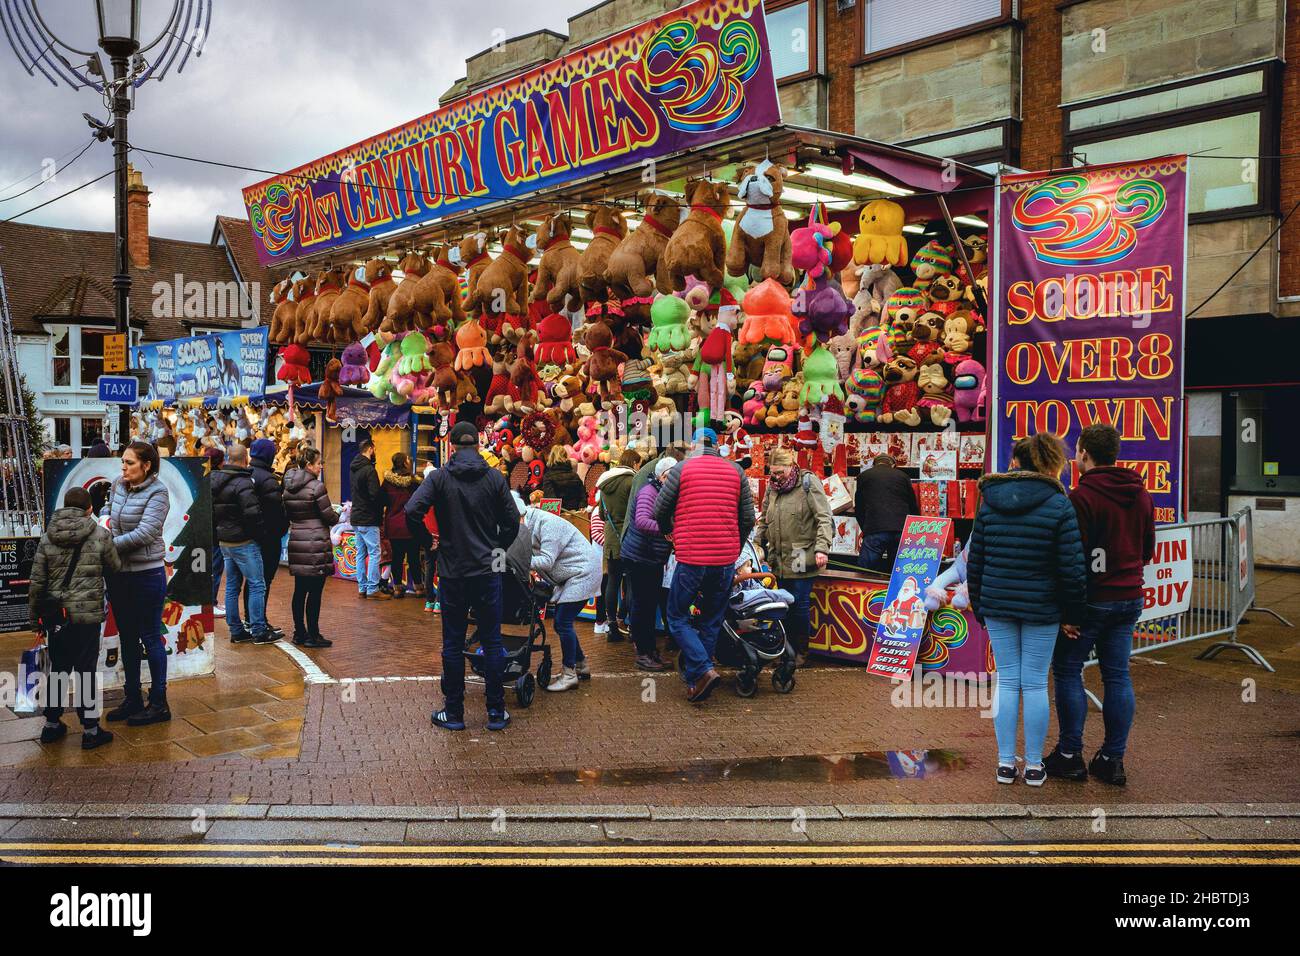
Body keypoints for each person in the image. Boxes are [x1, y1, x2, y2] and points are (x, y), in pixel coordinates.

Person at [967, 432, 1086, 787]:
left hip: (999, 603)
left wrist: (980, 605)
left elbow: (977, 559)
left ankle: (1005, 764)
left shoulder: (989, 500)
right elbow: (1071, 567)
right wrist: (1073, 614)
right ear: (1049, 463)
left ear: (1016, 462)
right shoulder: (1059, 504)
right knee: (1034, 685)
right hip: (1043, 607)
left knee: (1006, 681)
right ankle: (1034, 765)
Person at [1046, 424, 1155, 787]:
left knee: (1067, 670)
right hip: (1128, 597)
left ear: (1084, 454)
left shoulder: (1081, 497)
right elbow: (1147, 551)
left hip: (1091, 601)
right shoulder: (1140, 494)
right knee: (1117, 675)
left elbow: (1072, 561)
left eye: (1077, 451)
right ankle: (1112, 758)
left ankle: (1069, 754)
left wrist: (1070, 612)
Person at [406, 421, 519, 732]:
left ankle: (454, 712)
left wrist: (428, 542)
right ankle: (496, 711)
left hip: (454, 569)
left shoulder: (440, 478)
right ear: (478, 445)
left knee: (453, 643)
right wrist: (498, 547)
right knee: (492, 640)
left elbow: (412, 510)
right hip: (487, 568)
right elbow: (513, 521)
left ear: (452, 446)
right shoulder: (495, 478)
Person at [654, 428, 755, 702]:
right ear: (717, 444)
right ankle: (696, 679)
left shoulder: (681, 469)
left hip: (691, 557)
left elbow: (659, 510)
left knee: (676, 616)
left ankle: (702, 669)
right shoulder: (736, 472)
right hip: (724, 559)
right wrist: (735, 545)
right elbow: (748, 518)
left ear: (694, 445)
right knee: (712, 618)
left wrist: (669, 531)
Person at [29, 486, 121, 749]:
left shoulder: (48, 537)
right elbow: (115, 567)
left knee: (58, 669)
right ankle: (91, 730)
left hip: (58, 617)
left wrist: (35, 619)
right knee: (86, 672)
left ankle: (51, 724)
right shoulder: (101, 535)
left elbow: (37, 582)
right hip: (87, 616)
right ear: (90, 508)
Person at [105, 440, 171, 726]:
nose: (124, 467)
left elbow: (146, 533)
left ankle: (158, 703)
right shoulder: (118, 485)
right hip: (120, 573)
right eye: (123, 462)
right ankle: (132, 697)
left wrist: (107, 547)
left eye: (130, 463)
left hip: (147, 574)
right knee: (127, 638)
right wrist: (105, 522)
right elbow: (108, 510)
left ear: (147, 465)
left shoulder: (159, 492)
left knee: (150, 637)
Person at [755, 447, 833, 667]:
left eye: (780, 472)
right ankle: (784, 649)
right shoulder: (772, 488)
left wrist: (822, 548)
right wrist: (756, 545)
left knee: (798, 604)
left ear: (791, 467)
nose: (776, 476)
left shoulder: (808, 483)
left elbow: (824, 518)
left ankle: (800, 651)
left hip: (802, 554)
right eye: (773, 472)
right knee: (781, 605)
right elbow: (763, 520)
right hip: (777, 556)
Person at [519, 500, 601, 692]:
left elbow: (547, 561)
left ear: (521, 515)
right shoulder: (527, 524)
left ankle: (570, 674)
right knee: (563, 622)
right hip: (570, 575)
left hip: (582, 573)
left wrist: (518, 560)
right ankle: (580, 664)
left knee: (562, 622)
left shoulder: (548, 524)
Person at [211, 443, 273, 645]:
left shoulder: (215, 479)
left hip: (225, 541)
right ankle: (258, 630)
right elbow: (253, 514)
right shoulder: (243, 482)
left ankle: (236, 630)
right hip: (244, 541)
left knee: (231, 586)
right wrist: (261, 536)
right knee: (257, 584)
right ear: (244, 459)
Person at [620, 456, 676, 671]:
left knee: (648, 604)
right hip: (640, 557)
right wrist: (667, 530)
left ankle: (651, 651)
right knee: (643, 606)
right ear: (662, 476)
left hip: (651, 557)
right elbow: (642, 521)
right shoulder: (648, 492)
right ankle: (643, 653)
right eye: (671, 476)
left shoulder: (661, 492)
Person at [282, 447, 339, 648]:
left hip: (297, 539)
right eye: (318, 463)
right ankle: (313, 634)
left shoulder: (288, 486)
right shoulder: (317, 487)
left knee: (299, 590)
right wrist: (339, 516)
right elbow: (328, 515)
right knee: (315, 592)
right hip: (315, 543)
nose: (321, 466)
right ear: (309, 465)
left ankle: (299, 632)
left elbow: (287, 514)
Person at [594, 450, 639, 642]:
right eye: (639, 463)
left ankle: (611, 625)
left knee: (612, 582)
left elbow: (603, 516)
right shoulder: (632, 482)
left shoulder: (604, 484)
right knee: (630, 582)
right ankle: (625, 622)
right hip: (629, 537)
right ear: (634, 463)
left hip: (611, 539)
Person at [246, 438, 287, 637]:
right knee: (262, 582)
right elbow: (276, 512)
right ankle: (259, 622)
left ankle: (249, 620)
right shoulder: (269, 480)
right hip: (267, 538)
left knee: (250, 581)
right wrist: (281, 529)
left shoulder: (246, 474)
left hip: (248, 536)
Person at [854, 454, 917, 572]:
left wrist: (866, 528)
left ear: (874, 464)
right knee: (897, 570)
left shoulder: (864, 476)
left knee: (865, 572)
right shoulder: (903, 476)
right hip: (900, 528)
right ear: (893, 465)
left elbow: (859, 507)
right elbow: (912, 505)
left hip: (875, 528)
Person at [349, 438, 387, 600]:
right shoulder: (369, 470)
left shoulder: (354, 468)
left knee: (360, 553)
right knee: (374, 552)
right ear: (370, 449)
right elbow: (375, 495)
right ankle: (372, 589)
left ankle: (362, 588)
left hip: (356, 516)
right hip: (369, 518)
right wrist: (382, 507)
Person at [382, 452, 420, 598]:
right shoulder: (413, 482)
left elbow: (382, 500)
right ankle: (418, 588)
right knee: (414, 557)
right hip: (411, 525)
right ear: (404, 462)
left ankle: (397, 588)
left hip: (393, 526)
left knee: (397, 558)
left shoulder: (387, 482)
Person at [201, 446, 226, 616]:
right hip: (217, 531)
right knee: (215, 568)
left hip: (203, 530)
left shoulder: (202, 478)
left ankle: (208, 601)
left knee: (207, 568)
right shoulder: (221, 480)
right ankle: (211, 602)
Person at [540, 445, 586, 510]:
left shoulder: (548, 477)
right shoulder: (574, 475)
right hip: (576, 515)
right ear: (566, 456)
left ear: (551, 457)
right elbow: (583, 496)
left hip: (559, 516)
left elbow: (550, 501)